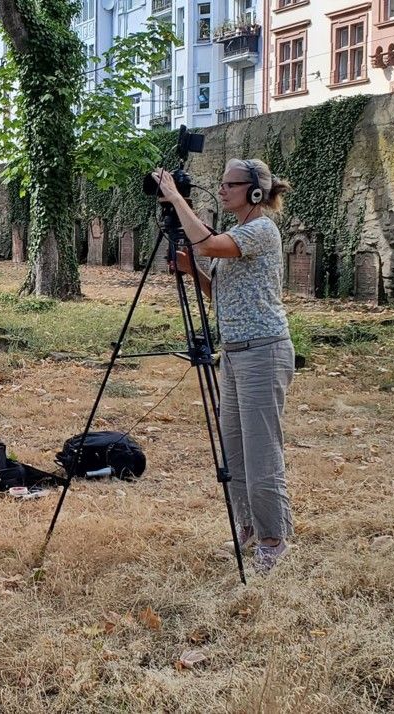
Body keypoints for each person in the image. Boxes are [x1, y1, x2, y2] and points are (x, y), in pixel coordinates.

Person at [152, 158, 295, 574]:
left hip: (264, 353)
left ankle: (274, 539)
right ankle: (248, 526)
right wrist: (192, 272)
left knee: (261, 451)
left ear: (254, 191)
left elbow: (209, 244)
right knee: (234, 447)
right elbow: (220, 293)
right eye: (222, 182)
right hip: (234, 352)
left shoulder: (262, 230)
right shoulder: (237, 233)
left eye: (230, 184)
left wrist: (177, 197)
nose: (222, 189)